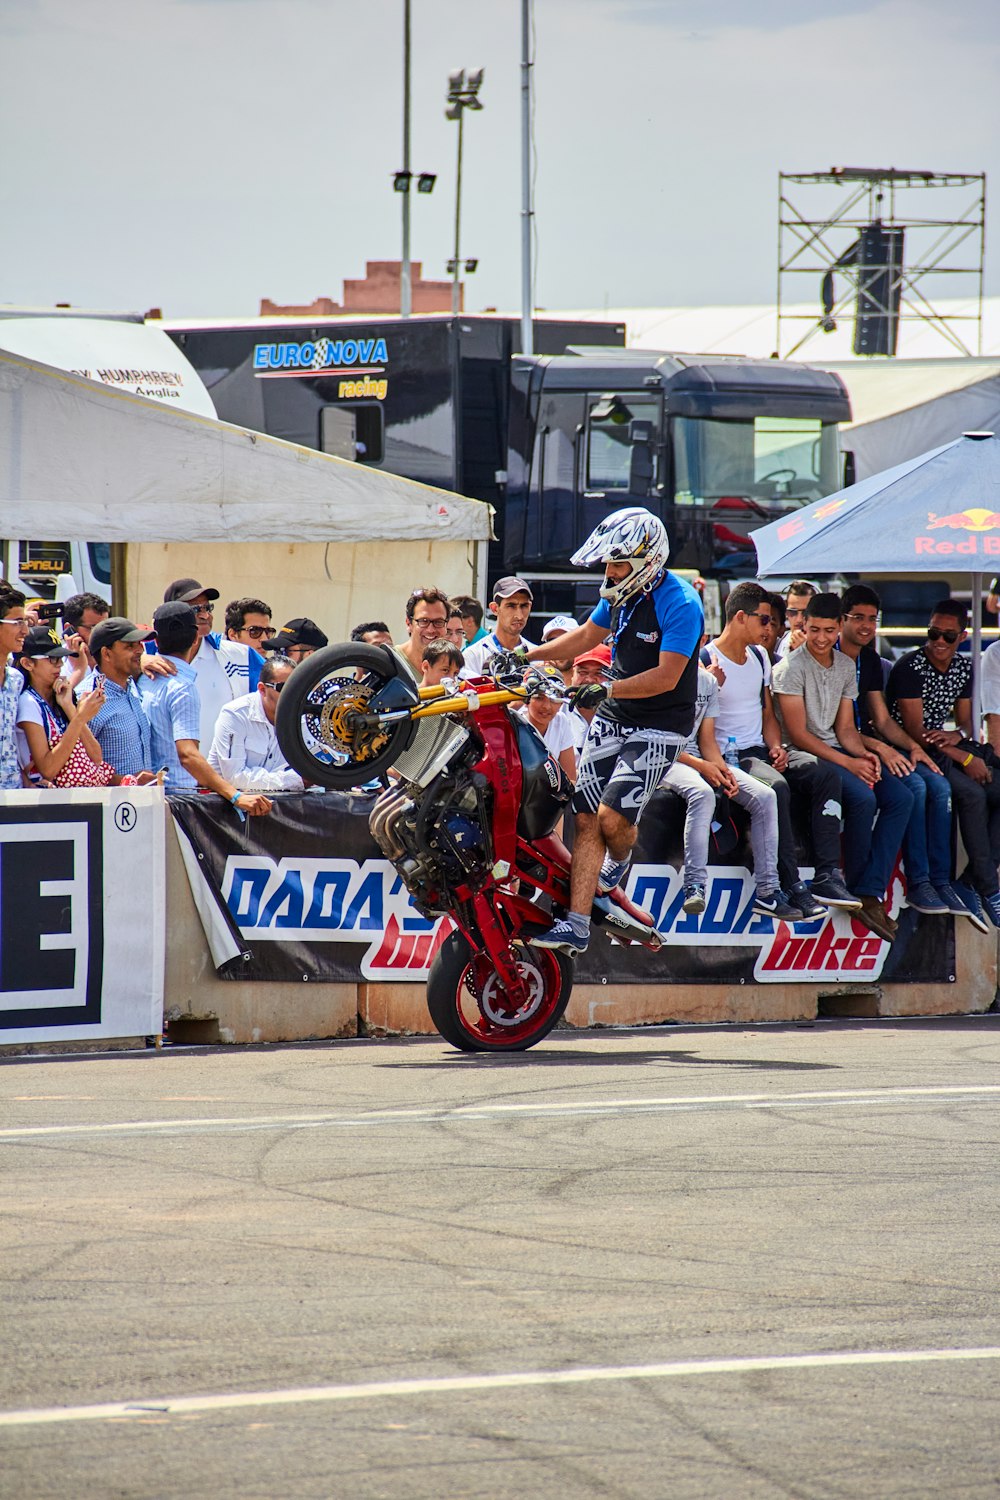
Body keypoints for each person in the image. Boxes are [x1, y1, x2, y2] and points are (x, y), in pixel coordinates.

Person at [525, 507, 703, 955]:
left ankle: (619, 859)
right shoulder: (622, 590)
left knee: (610, 820)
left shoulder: (681, 603)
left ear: (647, 561)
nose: (609, 572)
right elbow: (585, 635)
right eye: (607, 563)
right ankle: (578, 924)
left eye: (617, 564)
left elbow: (666, 677)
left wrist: (605, 689)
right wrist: (528, 656)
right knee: (584, 815)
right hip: (616, 712)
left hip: (662, 723)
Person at [773, 593, 911, 943]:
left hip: (836, 750)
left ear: (839, 629)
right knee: (863, 798)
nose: (821, 638)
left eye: (829, 630)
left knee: (901, 797)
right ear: (803, 626)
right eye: (814, 629)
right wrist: (850, 761)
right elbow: (800, 736)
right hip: (801, 756)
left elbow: (846, 729)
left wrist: (864, 757)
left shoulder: (847, 666)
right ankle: (847, 885)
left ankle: (869, 891)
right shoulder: (789, 667)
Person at [704, 580, 841, 920]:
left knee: (823, 773)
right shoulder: (706, 659)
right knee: (776, 787)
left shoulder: (759, 657)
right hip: (731, 757)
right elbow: (699, 727)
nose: (771, 628)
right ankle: (790, 884)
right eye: (764, 620)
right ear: (740, 618)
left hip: (761, 751)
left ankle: (827, 875)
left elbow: (767, 712)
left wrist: (777, 745)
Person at [838, 584, 962, 920]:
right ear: (842, 620)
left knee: (928, 788)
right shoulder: (831, 655)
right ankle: (894, 884)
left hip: (870, 746)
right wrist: (883, 748)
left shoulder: (870, 658)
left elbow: (880, 718)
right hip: (842, 749)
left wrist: (911, 748)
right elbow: (843, 728)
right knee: (905, 791)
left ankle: (908, 885)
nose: (866, 626)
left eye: (872, 619)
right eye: (858, 618)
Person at [887, 598, 1000, 931]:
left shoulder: (963, 668)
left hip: (946, 747)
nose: (938, 641)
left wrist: (958, 738)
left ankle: (970, 881)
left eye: (948, 636)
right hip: (913, 750)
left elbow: (965, 724)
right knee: (972, 794)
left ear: (962, 637)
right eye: (933, 633)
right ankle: (990, 889)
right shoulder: (910, 666)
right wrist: (964, 755)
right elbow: (914, 731)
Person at [661, 664, 798, 919]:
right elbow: (655, 741)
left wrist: (722, 770)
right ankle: (694, 885)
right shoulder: (659, 673)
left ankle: (769, 892)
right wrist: (702, 765)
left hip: (699, 759)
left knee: (766, 796)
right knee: (702, 793)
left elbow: (708, 741)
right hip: (663, 760)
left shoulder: (707, 681)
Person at [140, 601, 271, 816]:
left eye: (207, 608)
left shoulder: (140, 679)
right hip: (180, 802)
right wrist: (236, 796)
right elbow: (188, 755)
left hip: (151, 798)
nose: (204, 614)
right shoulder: (182, 687)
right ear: (194, 639)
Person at [145, 578, 263, 751]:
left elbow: (275, 691)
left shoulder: (240, 656)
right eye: (195, 609)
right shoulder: (146, 653)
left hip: (223, 774)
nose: (205, 615)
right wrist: (142, 659)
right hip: (169, 775)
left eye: (207, 608)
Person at [16, 627, 121, 788]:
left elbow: (96, 757)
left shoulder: (60, 697)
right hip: (43, 804)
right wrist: (80, 718)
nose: (59, 665)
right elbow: (48, 769)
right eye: (52, 659)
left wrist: (69, 708)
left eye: (60, 658)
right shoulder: (28, 702)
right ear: (28, 663)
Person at [208, 654, 305, 792]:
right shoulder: (235, 714)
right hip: (225, 805)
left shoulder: (303, 718)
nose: (291, 694)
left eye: (295, 687)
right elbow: (235, 777)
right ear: (262, 689)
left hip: (279, 804)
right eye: (283, 687)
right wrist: (295, 780)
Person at [88, 617, 156, 778]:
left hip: (145, 799)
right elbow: (77, 766)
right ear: (107, 653)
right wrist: (126, 781)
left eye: (140, 644)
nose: (140, 650)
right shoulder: (88, 697)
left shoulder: (132, 686)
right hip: (109, 802)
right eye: (130, 646)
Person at [461, 578, 537, 677]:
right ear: (495, 609)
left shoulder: (537, 654)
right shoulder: (473, 655)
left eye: (524, 606)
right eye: (511, 606)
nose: (519, 616)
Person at [517, 667, 578, 785]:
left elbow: (571, 780)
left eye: (554, 699)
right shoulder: (516, 724)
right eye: (539, 697)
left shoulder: (561, 721)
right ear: (526, 699)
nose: (547, 706)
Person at [0, 586, 30, 789]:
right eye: (18, 622)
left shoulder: (15, 679)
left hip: (13, 792)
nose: (25, 631)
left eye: (25, 621)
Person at [566, 645, 612, 762]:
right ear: (572, 675)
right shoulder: (555, 712)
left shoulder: (621, 717)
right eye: (582, 672)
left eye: (599, 673)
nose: (590, 680)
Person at [393, 587, 452, 676]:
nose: (431, 630)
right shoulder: (390, 663)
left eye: (438, 622)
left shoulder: (454, 667)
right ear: (409, 623)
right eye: (424, 621)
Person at [61, 591, 110, 695]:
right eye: (94, 628)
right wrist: (79, 669)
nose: (102, 634)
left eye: (105, 627)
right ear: (69, 629)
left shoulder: (113, 656)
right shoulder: (56, 664)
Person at [776, 580, 817, 659]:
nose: (799, 619)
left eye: (805, 612)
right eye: (792, 612)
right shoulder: (776, 644)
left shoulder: (826, 647)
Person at [263, 617, 329, 662]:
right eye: (277, 652)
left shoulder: (328, 683)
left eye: (285, 652)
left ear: (309, 656)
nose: (278, 659)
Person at [540, 616, 579, 684]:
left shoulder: (589, 680)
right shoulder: (538, 678)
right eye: (552, 642)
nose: (559, 647)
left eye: (565, 641)